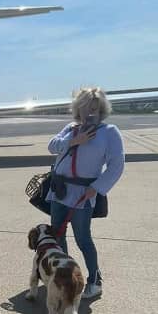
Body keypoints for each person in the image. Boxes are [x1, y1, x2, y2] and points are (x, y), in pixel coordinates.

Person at [46, 86, 125, 299]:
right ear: (77, 109)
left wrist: (97, 188)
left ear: (102, 110)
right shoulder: (71, 128)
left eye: (94, 109)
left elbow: (117, 165)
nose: (89, 113)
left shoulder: (109, 132)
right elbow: (52, 146)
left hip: (84, 194)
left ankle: (95, 280)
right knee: (58, 235)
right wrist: (74, 141)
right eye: (84, 108)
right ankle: (65, 276)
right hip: (60, 191)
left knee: (83, 239)